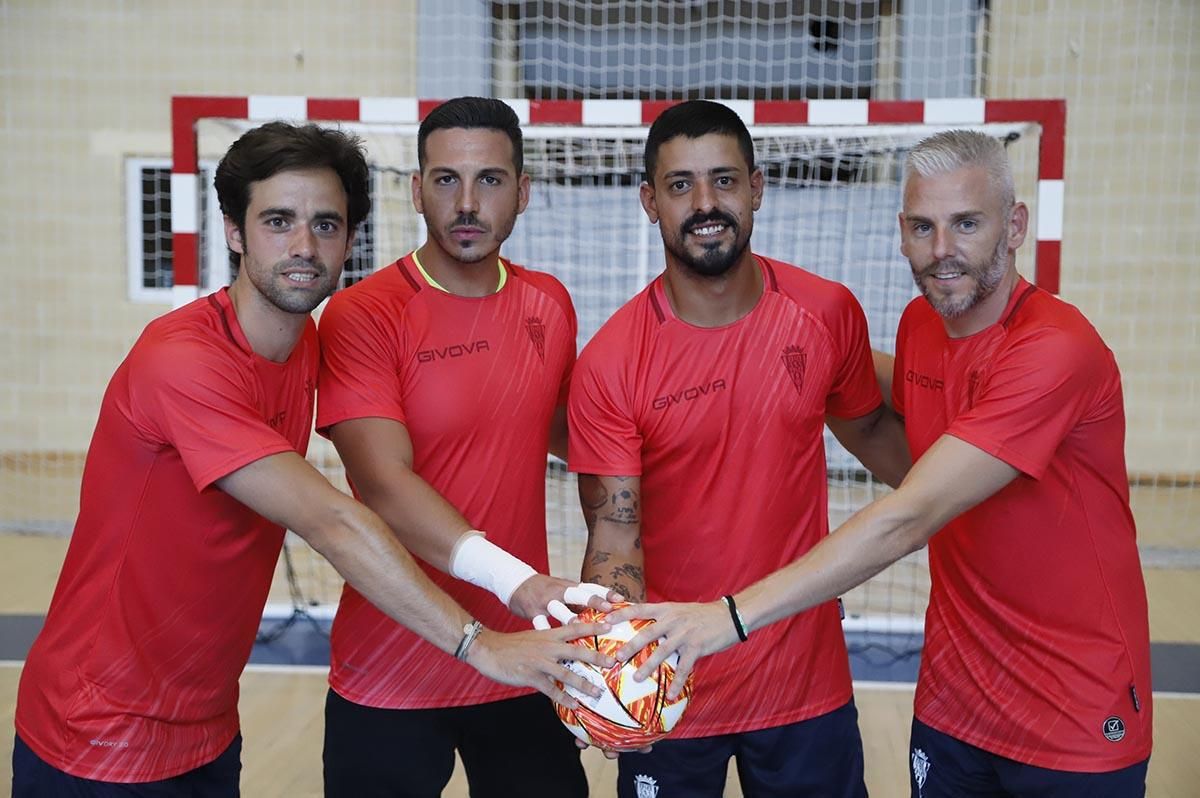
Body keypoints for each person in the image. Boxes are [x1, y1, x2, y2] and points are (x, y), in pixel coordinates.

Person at [11, 121, 612, 797]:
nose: (303, 246)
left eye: (325, 224)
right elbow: (333, 519)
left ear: (349, 239)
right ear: (234, 232)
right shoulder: (180, 362)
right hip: (96, 732)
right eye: (278, 221)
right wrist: (486, 640)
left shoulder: (302, 349)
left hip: (205, 727)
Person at [617, 129, 1153, 796]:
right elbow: (841, 391)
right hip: (955, 702)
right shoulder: (920, 330)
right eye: (923, 227)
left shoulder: (1055, 349)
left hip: (1074, 708)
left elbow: (910, 514)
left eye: (966, 224)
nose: (942, 251)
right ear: (901, 233)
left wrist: (726, 616)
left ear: (1014, 226)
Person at [567, 99, 911, 797]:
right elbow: (615, 532)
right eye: (680, 185)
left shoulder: (824, 313)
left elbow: (872, 430)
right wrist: (607, 671)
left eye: (724, 180)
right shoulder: (612, 361)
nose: (705, 203)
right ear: (649, 202)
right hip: (671, 689)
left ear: (757, 187)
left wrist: (970, 499)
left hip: (804, 686)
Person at [316, 96, 619, 797]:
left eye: (490, 180)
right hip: (393, 661)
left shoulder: (548, 303)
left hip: (524, 657)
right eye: (446, 180)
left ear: (523, 192)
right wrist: (521, 583)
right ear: (417, 189)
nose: (467, 203)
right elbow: (384, 486)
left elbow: (575, 440)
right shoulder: (365, 313)